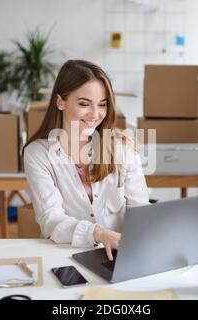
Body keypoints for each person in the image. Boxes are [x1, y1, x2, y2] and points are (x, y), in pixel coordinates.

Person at [23, 60, 149, 260]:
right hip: (62, 255)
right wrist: (98, 233)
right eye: (84, 104)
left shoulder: (122, 148)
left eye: (102, 104)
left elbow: (141, 211)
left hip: (117, 256)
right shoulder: (37, 155)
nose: (95, 114)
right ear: (60, 102)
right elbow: (51, 220)